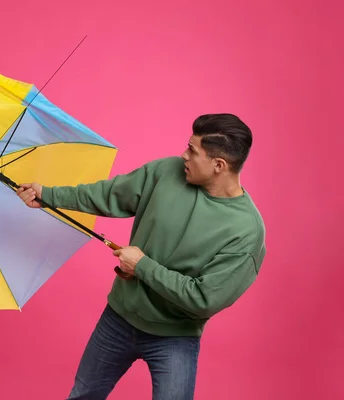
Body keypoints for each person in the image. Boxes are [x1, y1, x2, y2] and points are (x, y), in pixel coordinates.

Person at [16, 113, 266, 400]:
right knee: (83, 395)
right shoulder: (166, 172)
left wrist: (143, 266)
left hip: (175, 337)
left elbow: (204, 299)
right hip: (118, 318)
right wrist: (48, 195)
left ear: (218, 165)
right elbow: (108, 194)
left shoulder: (246, 232)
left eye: (193, 151)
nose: (183, 155)